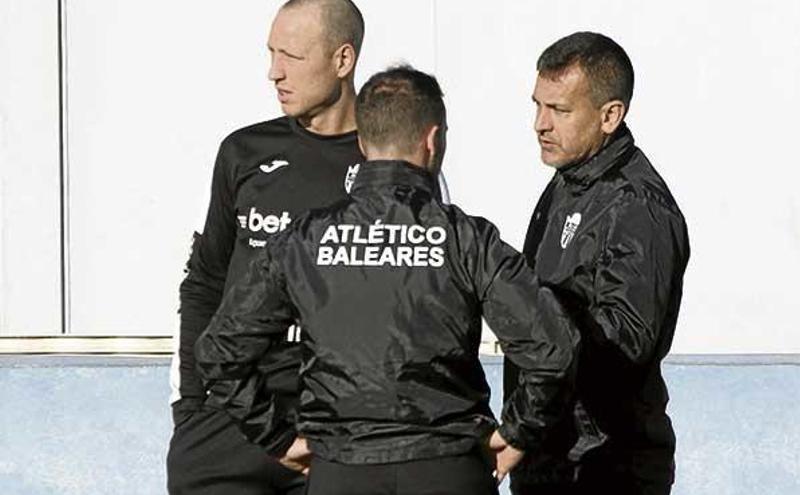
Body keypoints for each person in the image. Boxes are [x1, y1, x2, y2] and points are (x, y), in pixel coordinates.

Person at [195, 65, 580, 495]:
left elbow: (220, 350)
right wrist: (517, 433)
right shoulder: (466, 238)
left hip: (342, 470)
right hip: (449, 468)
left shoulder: (304, 240)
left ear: (362, 143)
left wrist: (276, 437)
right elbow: (553, 349)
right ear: (433, 140)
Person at [166, 1, 366, 494]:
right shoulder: (243, 153)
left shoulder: (391, 161)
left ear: (343, 61)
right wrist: (190, 406)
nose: (274, 72)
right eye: (271, 53)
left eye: (292, 57)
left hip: (338, 432)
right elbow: (203, 283)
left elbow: (431, 298)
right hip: (232, 421)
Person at [504, 32, 690, 495]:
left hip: (606, 467)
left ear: (610, 115)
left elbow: (627, 341)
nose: (540, 124)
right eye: (538, 105)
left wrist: (533, 316)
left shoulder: (636, 206)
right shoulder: (568, 180)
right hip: (550, 455)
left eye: (560, 110)